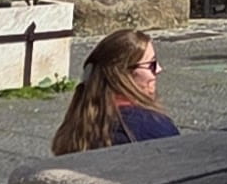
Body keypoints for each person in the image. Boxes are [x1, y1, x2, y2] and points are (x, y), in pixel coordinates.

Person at [49, 29, 179, 155]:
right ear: (123, 74)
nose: (159, 69)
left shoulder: (77, 127)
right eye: (151, 64)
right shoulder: (153, 127)